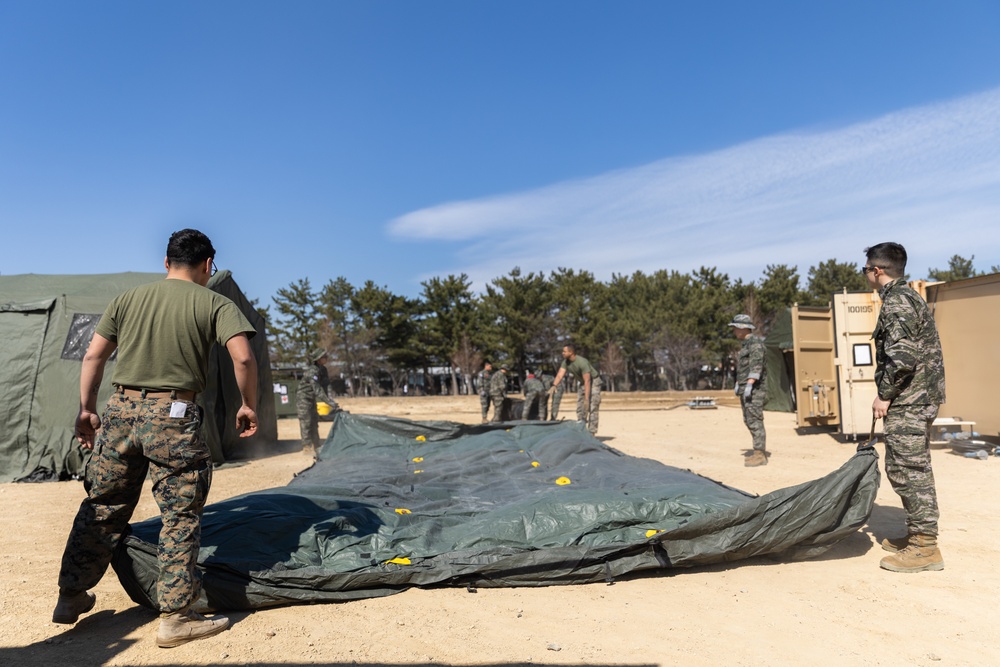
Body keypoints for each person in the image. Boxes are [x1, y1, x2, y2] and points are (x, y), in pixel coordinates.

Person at [52, 229, 258, 648]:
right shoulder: (216, 302)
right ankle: (177, 617)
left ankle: (70, 597)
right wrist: (247, 404)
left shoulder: (127, 299)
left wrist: (85, 409)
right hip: (174, 414)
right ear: (207, 266)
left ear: (166, 263)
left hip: (120, 412)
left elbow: (93, 355)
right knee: (179, 515)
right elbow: (243, 356)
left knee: (103, 505)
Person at [864, 242, 946, 573]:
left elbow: (903, 358)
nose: (867, 274)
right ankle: (917, 534)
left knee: (909, 470)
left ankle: (925, 547)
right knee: (904, 466)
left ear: (877, 270)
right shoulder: (909, 296)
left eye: (866, 269)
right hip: (917, 397)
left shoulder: (897, 302)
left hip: (910, 400)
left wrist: (884, 395)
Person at [729, 314, 768, 467]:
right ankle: (757, 451)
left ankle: (760, 454)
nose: (734, 331)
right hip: (746, 388)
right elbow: (744, 367)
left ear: (743, 328)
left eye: (735, 328)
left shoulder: (755, 344)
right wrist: (739, 383)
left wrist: (750, 384)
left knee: (754, 420)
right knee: (748, 419)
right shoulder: (746, 344)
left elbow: (757, 365)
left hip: (754, 390)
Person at [550, 344, 601, 435]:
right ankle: (581, 430)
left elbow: (588, 381)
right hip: (583, 382)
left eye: (564, 351)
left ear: (571, 352)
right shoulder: (565, 362)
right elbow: (560, 374)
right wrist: (554, 385)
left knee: (592, 407)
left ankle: (591, 432)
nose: (563, 353)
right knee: (580, 408)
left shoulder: (582, 362)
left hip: (593, 382)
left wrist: (586, 398)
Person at [297, 350, 340, 456]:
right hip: (304, 399)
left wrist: (330, 399)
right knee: (306, 422)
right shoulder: (312, 371)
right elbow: (317, 389)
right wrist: (329, 402)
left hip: (312, 399)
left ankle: (317, 445)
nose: (327, 357)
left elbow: (325, 385)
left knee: (314, 421)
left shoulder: (323, 370)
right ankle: (306, 447)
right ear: (318, 359)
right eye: (324, 356)